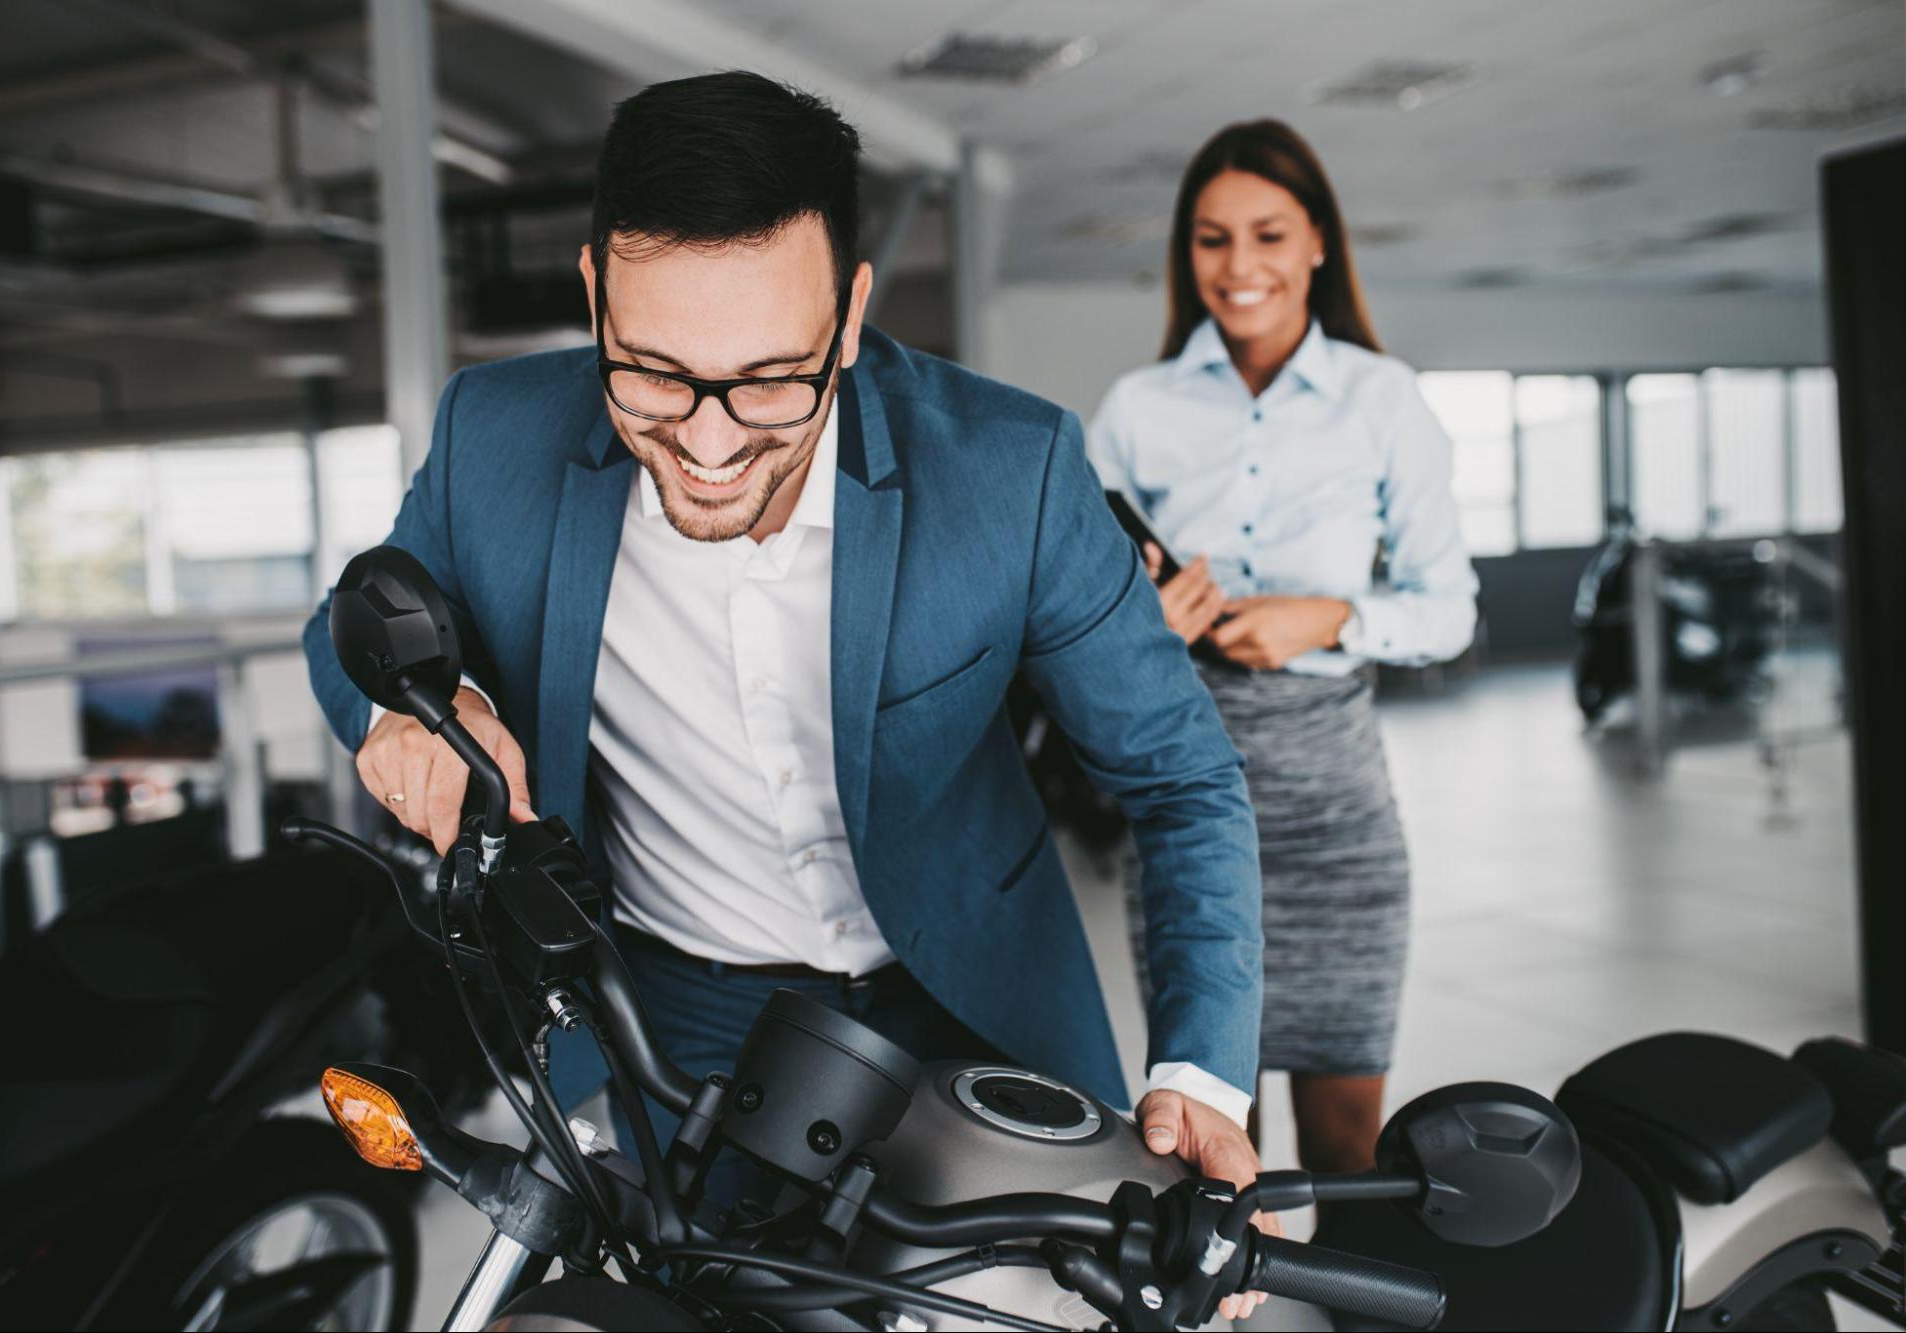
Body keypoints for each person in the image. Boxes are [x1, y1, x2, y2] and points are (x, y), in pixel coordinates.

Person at [303, 72, 1277, 1316]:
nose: (708, 448)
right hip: (684, 1014)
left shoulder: (1011, 470)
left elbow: (1182, 778)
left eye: (772, 381)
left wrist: (1202, 1073)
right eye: (652, 376)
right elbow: (347, 626)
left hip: (969, 1006)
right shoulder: (493, 437)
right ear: (594, 289)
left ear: (851, 313)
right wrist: (408, 716)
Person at [1088, 119, 1478, 1175]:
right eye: (1212, 240)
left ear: (1316, 241)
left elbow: (1449, 608)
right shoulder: (1137, 410)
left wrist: (1333, 616)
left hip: (1338, 818)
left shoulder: (1381, 398)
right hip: (1187, 801)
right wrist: (1141, 631)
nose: (1239, 266)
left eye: (1267, 234)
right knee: (1219, 1140)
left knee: (1351, 1147)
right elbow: (1073, 622)